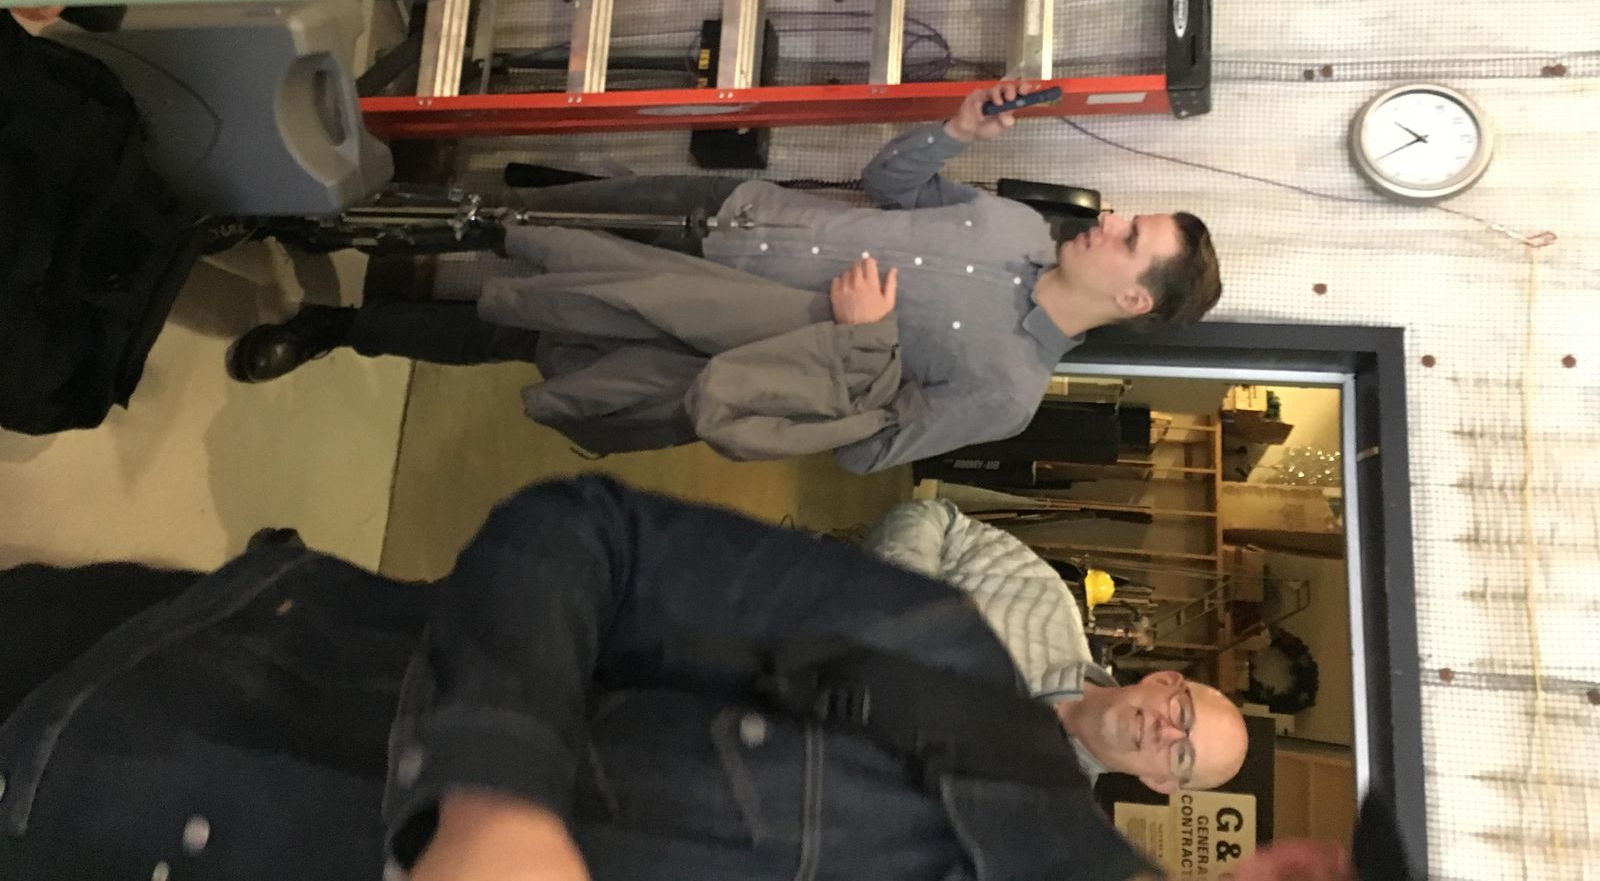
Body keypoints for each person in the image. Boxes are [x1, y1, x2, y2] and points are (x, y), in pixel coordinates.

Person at [0, 477, 1405, 881]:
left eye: (1175, 750)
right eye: (1181, 713)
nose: (1161, 729)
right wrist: (497, 798)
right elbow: (585, 536)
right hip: (140, 710)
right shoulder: (962, 653)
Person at [230, 83, 1223, 472]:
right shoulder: (1017, 224)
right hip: (733, 210)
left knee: (521, 329)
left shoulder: (1006, 394)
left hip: (704, 329)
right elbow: (889, 187)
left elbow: (868, 450)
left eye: (1130, 237)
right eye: (1127, 217)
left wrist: (866, 339)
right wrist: (953, 132)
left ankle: (334, 329)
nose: (1109, 223)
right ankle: (307, 218)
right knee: (520, 217)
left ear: (1134, 298)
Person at [866, 498, 1248, 792]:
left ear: (1160, 782)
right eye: (1182, 714)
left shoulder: (1029, 816)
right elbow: (935, 518)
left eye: (1182, 755)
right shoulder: (1042, 595)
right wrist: (900, 609)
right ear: (1163, 681)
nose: (1166, 732)